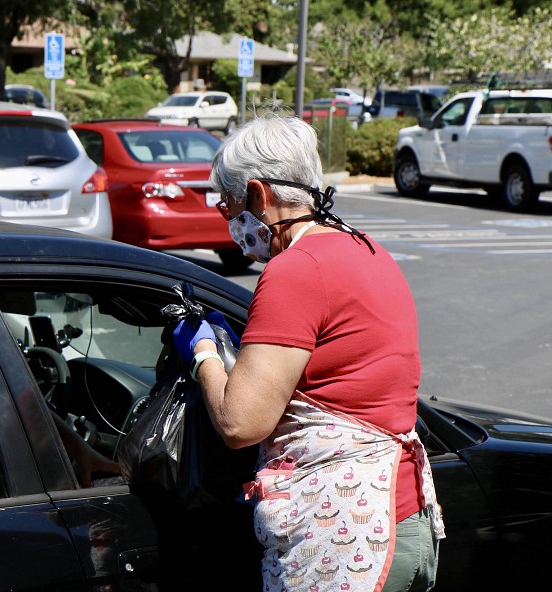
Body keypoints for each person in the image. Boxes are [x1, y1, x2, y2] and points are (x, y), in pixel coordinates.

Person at [173, 113, 445, 592]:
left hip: (350, 539)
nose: (230, 223)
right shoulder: (365, 249)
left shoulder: (295, 270)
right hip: (407, 523)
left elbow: (241, 423)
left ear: (259, 195)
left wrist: (203, 354)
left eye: (228, 207)